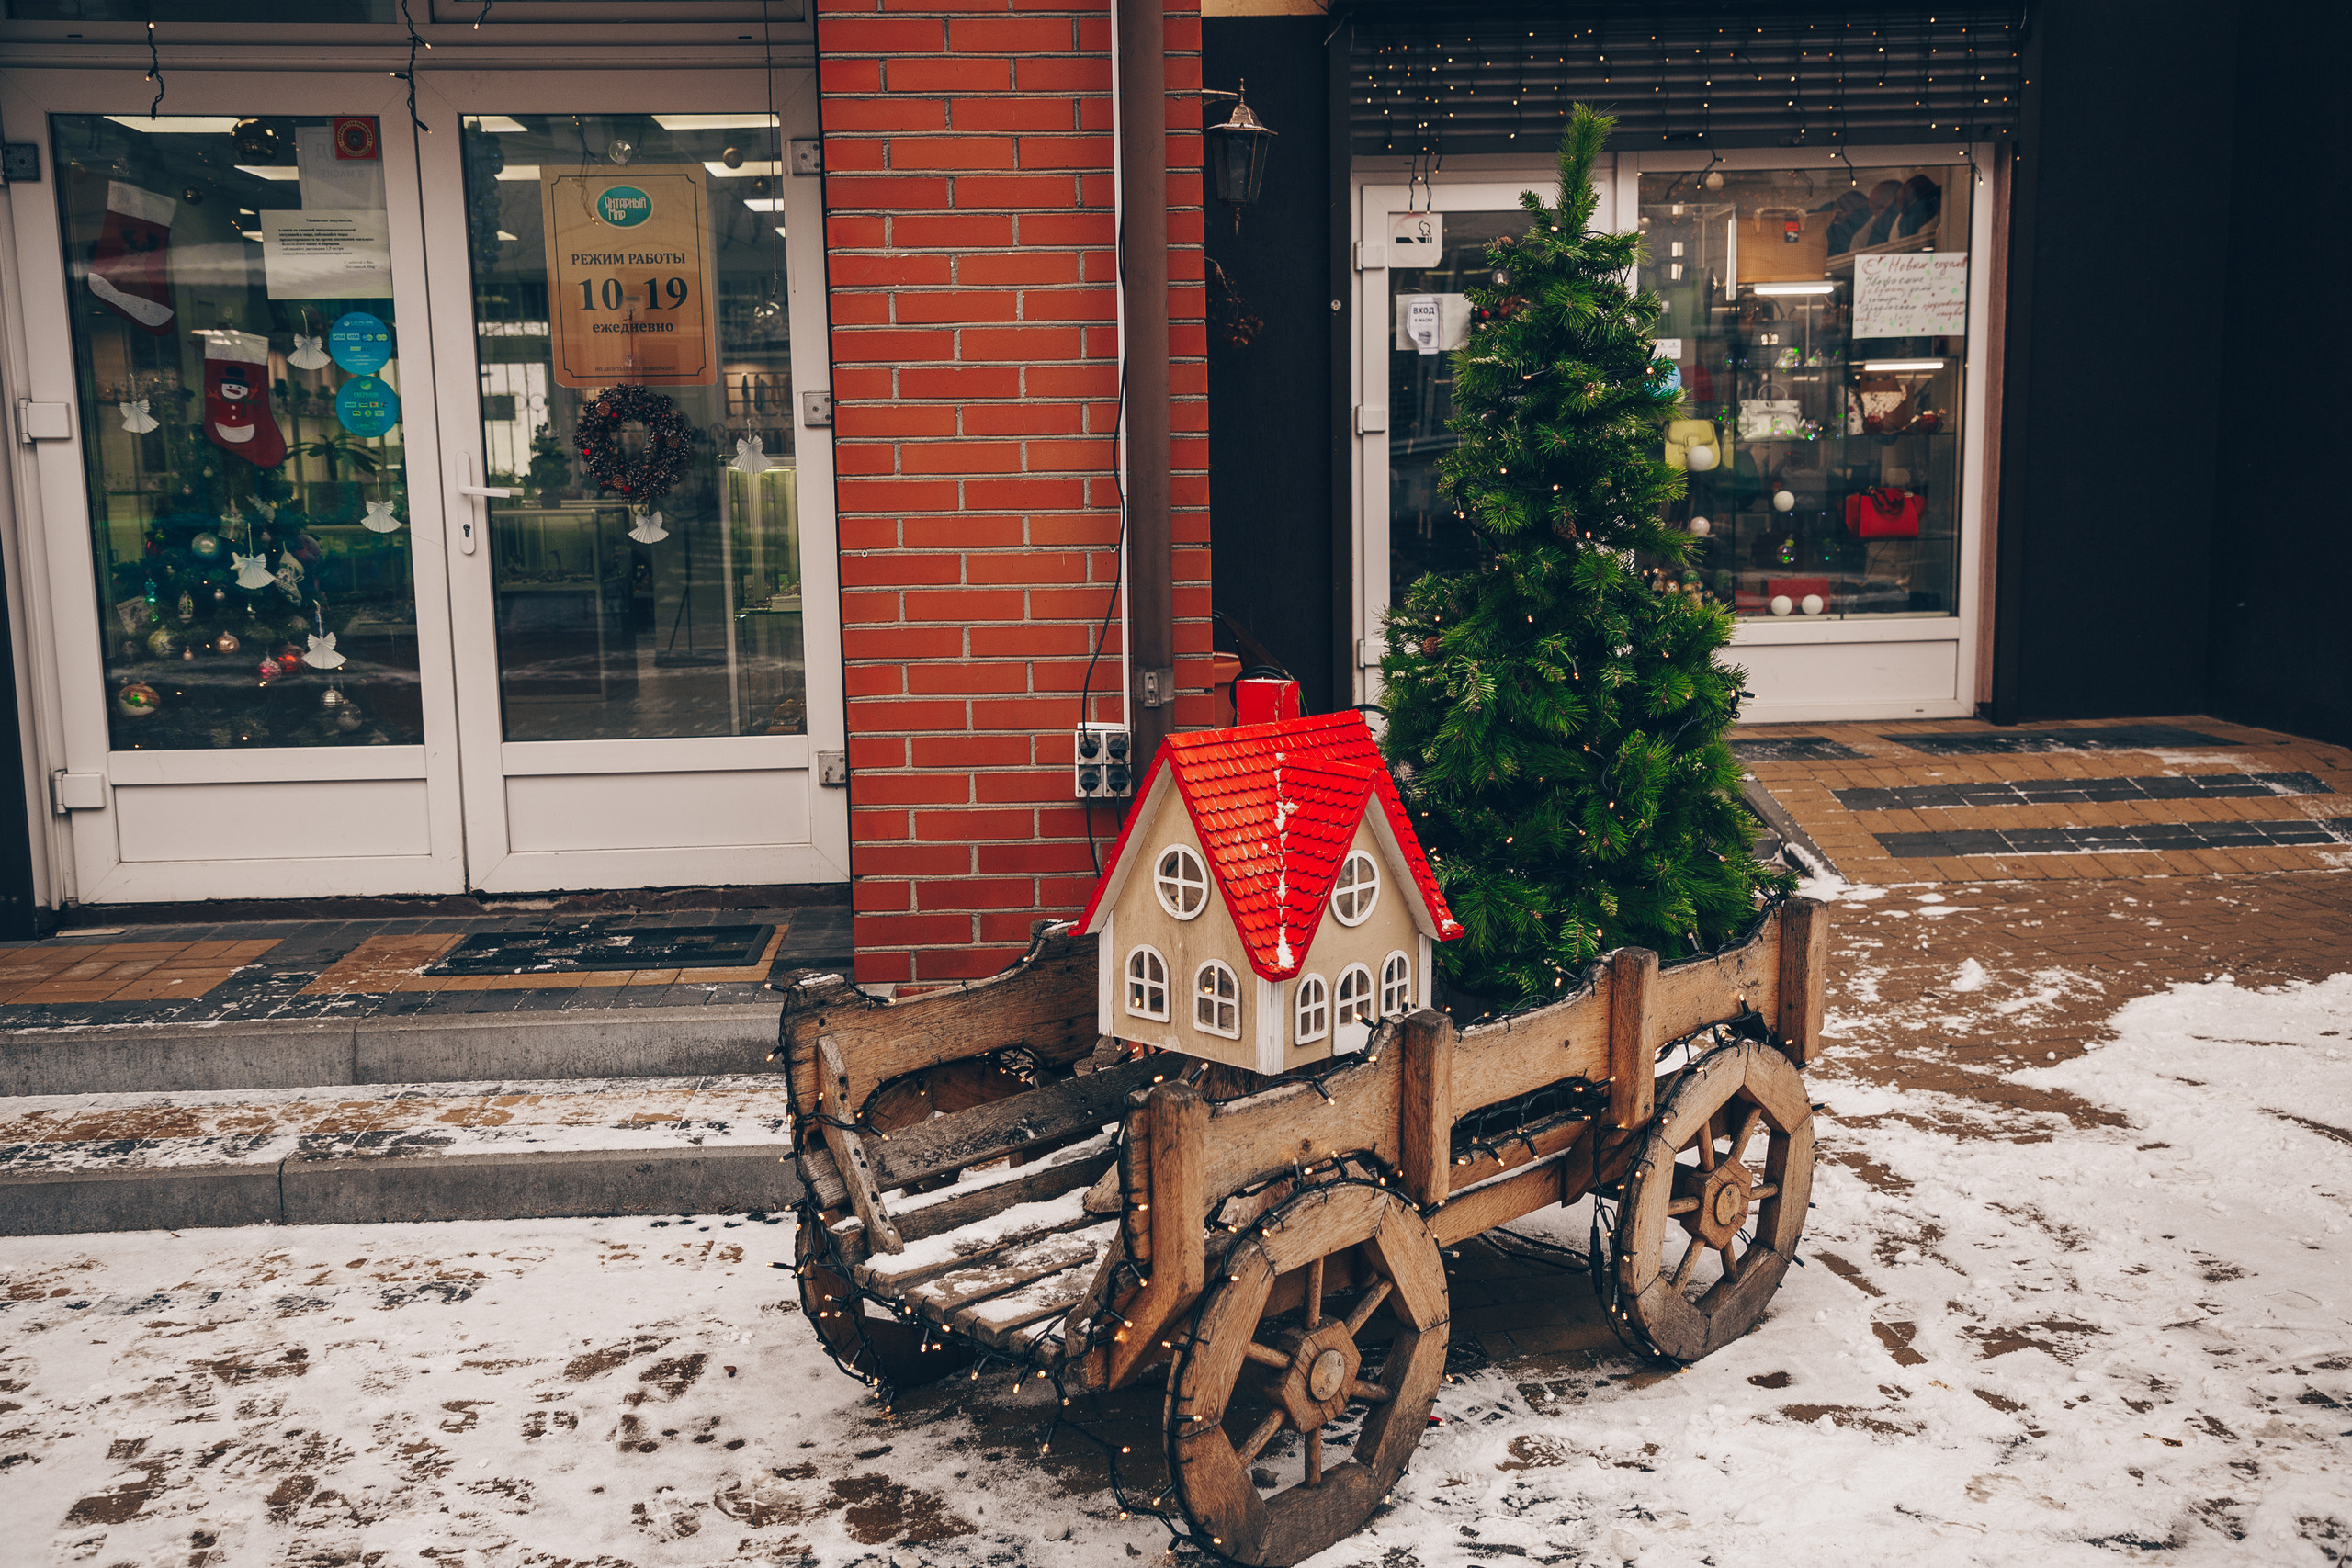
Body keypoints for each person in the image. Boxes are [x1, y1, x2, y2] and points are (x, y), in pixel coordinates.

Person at [1823, 188, 1873, 254]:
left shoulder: (1861, 233)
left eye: (1842, 209)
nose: (1836, 214)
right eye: (1835, 210)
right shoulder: (1828, 231)